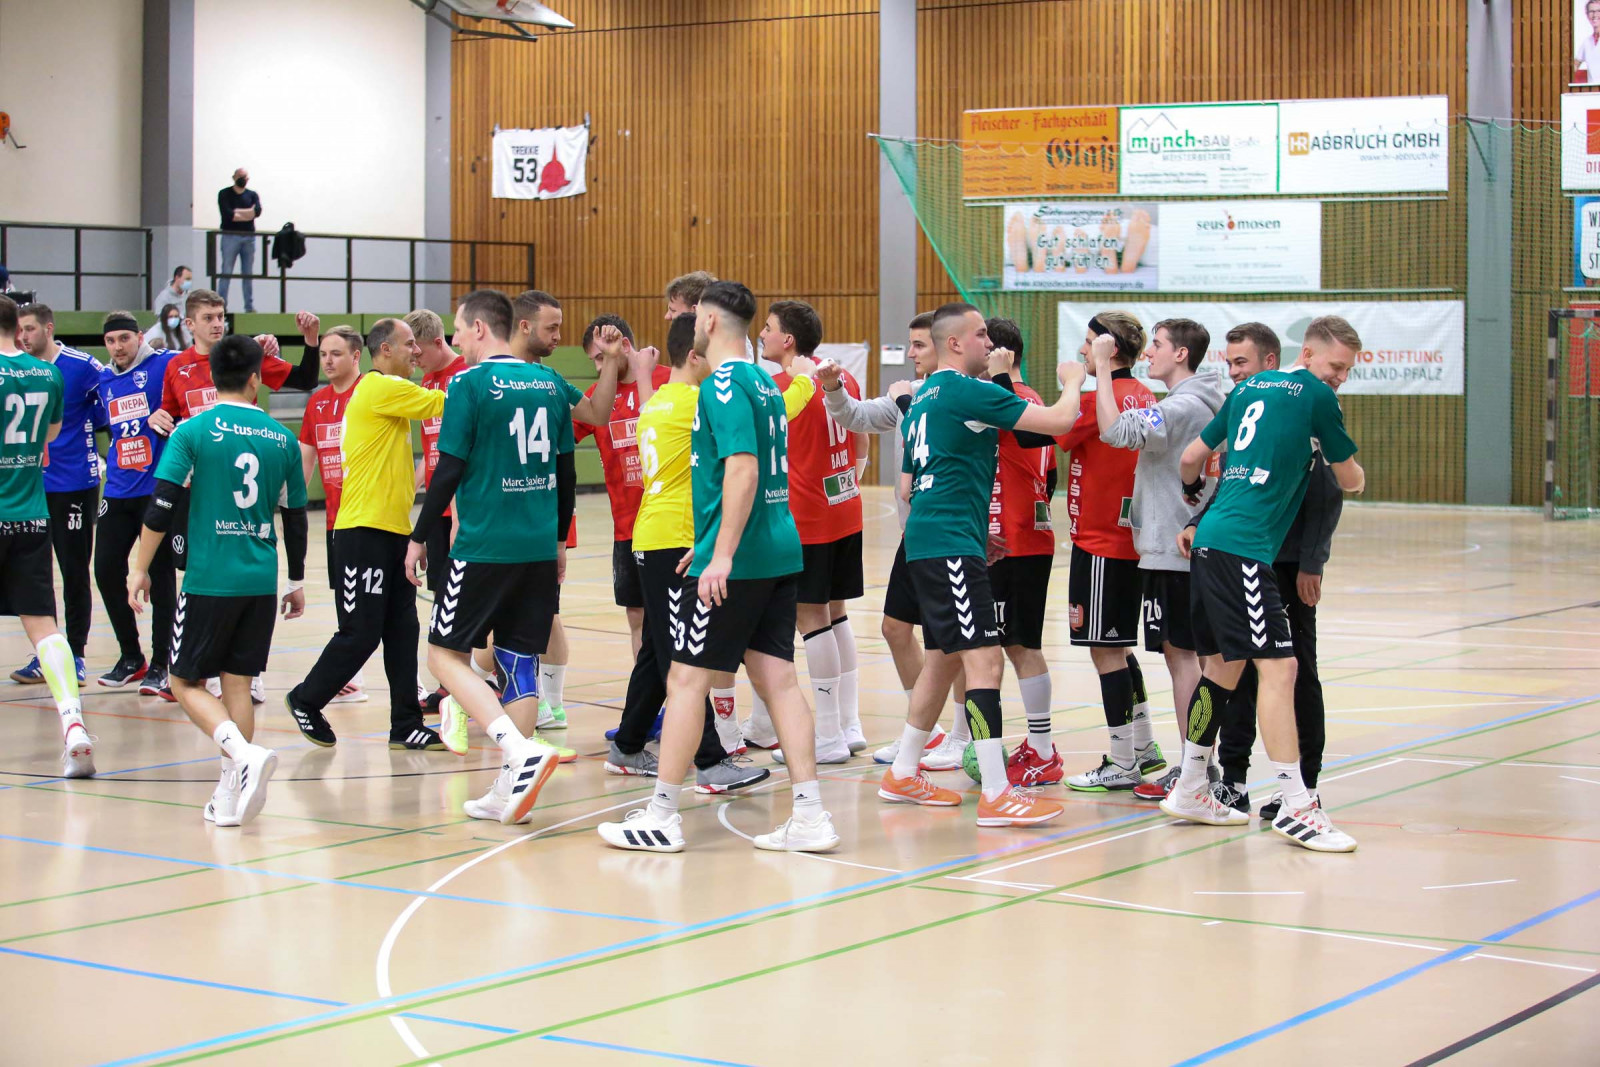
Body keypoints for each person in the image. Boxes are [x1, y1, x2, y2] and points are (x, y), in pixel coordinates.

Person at [597, 280, 838, 852]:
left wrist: (721, 552)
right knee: (779, 681)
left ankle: (662, 815)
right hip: (779, 550)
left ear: (706, 322)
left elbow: (743, 469)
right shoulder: (763, 383)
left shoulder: (723, 384)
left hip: (740, 561)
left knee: (685, 679)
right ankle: (810, 815)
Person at [1165, 316, 1365, 852]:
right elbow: (1350, 479)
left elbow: (1190, 458)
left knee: (1221, 669)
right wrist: (1340, 462)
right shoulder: (1316, 396)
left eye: (1347, 369)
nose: (1340, 377)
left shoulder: (1247, 389)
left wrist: (1191, 494)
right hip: (1245, 549)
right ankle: (1297, 805)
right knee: (1281, 669)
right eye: (1336, 365)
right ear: (1309, 354)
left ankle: (1191, 787)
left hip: (1210, 542)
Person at [879, 302, 1081, 825]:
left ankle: (903, 771)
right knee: (985, 661)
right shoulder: (968, 390)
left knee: (943, 658)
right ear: (955, 343)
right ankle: (996, 792)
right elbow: (1060, 421)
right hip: (948, 545)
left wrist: (974, 530)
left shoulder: (926, 396)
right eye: (981, 335)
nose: (990, 344)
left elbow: (910, 484)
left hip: (936, 538)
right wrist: (1076, 379)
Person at [404, 289, 578, 825]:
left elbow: (448, 468)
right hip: (536, 545)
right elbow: (566, 471)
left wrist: (418, 535)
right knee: (518, 660)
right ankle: (509, 788)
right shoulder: (550, 383)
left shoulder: (468, 383)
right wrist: (556, 541)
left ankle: (516, 749)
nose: (456, 339)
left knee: (443, 656)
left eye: (458, 328)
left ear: (480, 328)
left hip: (484, 544)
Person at [603, 312, 793, 792]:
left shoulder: (657, 402)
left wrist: (643, 375)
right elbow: (767, 418)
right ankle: (709, 761)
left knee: (659, 647)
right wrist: (806, 383)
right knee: (680, 658)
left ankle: (627, 745)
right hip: (676, 538)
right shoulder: (698, 401)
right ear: (694, 355)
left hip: (651, 534)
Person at [128, 333, 309, 826]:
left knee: (183, 680)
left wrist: (139, 567)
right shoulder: (282, 438)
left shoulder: (193, 431)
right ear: (255, 380)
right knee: (238, 684)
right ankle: (230, 796)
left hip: (209, 579)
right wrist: (295, 579)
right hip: (260, 578)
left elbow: (162, 505)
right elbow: (295, 516)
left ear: (211, 377)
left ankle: (243, 756)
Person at [1201, 320, 1351, 822]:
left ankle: (1301, 786)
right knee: (1244, 669)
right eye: (1229, 363)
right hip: (1247, 551)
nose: (1234, 372)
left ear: (1270, 360)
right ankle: (1240, 782)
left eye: (1241, 362)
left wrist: (1312, 561)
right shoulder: (1265, 399)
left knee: (1284, 670)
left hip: (1275, 560)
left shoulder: (1304, 400)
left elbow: (1328, 492)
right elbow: (1232, 479)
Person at [286, 318, 446, 751]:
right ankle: (305, 699)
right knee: (361, 631)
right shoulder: (379, 386)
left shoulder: (388, 392)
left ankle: (405, 724)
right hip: (361, 532)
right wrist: (479, 371)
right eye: (409, 344)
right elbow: (443, 403)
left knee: (402, 630)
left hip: (393, 531)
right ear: (385, 350)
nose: (417, 351)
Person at [822, 313, 969, 771]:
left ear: (944, 345)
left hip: (950, 534)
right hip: (915, 534)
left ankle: (963, 735)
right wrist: (833, 388)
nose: (910, 354)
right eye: (909, 344)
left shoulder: (961, 395)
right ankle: (927, 731)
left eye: (919, 345)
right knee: (895, 628)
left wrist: (907, 404)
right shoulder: (909, 393)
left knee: (952, 642)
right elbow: (856, 416)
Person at [155, 288, 318, 702]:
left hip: (242, 483)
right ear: (189, 324)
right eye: (208, 317)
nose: (217, 323)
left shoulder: (247, 356)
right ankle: (211, 666)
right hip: (198, 488)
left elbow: (304, 379)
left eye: (221, 316)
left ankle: (240, 671)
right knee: (193, 568)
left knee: (238, 562)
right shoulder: (176, 367)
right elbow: (169, 413)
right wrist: (158, 417)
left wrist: (309, 342)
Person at [1093, 318, 1228, 802]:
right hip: (1188, 545)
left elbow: (1114, 430)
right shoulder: (1203, 401)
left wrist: (1102, 367)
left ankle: (1195, 769)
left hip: (1174, 552)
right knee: (1199, 659)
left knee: (1182, 659)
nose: (1150, 353)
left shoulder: (1181, 407)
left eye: (1159, 345)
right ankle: (1203, 765)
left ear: (1181, 355)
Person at [1058, 312, 1166, 794]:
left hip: (1101, 541)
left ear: (1109, 350)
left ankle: (1121, 761)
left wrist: (1071, 383)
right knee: (1118, 648)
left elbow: (1056, 433)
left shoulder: (1095, 400)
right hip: (1131, 540)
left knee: (1105, 653)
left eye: (1088, 342)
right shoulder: (1145, 395)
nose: (1082, 350)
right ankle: (1143, 745)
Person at [506, 289, 622, 732]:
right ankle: (472, 697)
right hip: (497, 521)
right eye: (551, 327)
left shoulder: (553, 381)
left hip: (539, 525)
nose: (559, 336)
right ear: (524, 326)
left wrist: (610, 361)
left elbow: (597, 413)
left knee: (540, 615)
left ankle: (539, 703)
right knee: (486, 627)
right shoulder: (489, 378)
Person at [760, 300, 869, 762]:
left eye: (768, 328)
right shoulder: (843, 376)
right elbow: (862, 439)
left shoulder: (782, 388)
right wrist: (848, 483)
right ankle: (849, 723)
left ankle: (826, 734)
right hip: (845, 510)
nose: (761, 334)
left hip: (807, 518)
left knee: (811, 618)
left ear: (788, 340)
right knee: (836, 613)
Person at [0, 294, 91, 777]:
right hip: (31, 515)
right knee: (44, 627)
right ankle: (74, 725)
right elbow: (51, 435)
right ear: (18, 329)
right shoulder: (47, 373)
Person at [978, 318, 1065, 789]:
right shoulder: (1029, 399)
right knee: (1014, 645)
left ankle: (1043, 750)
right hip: (1024, 533)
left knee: (1015, 646)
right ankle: (1037, 747)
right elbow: (1047, 477)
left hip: (1011, 539)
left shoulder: (1008, 398)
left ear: (1001, 354)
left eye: (983, 345)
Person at [10, 303, 105, 685]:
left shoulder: (82, 367)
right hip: (32, 486)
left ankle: (76, 655)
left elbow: (107, 411)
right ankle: (48, 653)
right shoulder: (18, 370)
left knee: (73, 570)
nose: (23, 336)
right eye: (19, 330)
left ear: (48, 329)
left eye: (30, 329)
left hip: (74, 485)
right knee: (37, 576)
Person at [573, 314, 670, 658]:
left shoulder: (667, 381)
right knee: (637, 616)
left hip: (672, 524)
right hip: (627, 529)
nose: (599, 368)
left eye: (602, 357)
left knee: (675, 615)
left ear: (624, 345)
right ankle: (649, 688)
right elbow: (557, 438)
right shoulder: (597, 398)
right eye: (594, 361)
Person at [93, 312, 179, 691]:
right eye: (111, 341)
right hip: (117, 489)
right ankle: (132, 656)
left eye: (124, 339)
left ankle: (162, 662)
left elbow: (201, 365)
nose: (118, 347)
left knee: (160, 577)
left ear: (140, 337)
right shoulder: (104, 379)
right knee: (105, 569)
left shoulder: (164, 364)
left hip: (156, 490)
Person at [296, 316, 368, 704]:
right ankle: (347, 674)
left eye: (336, 353)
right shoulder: (318, 402)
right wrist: (289, 504)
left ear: (356, 356)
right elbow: (306, 461)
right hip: (335, 519)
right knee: (345, 600)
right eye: (323, 353)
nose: (327, 360)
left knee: (377, 606)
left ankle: (411, 682)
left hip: (369, 517)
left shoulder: (370, 392)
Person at [407, 307, 468, 711]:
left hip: (460, 510)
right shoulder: (428, 382)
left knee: (460, 599)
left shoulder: (463, 376)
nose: (414, 361)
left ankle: (462, 683)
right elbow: (431, 453)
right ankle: (453, 683)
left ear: (436, 341)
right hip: (436, 509)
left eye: (418, 353)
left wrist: (458, 516)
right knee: (443, 596)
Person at [217, 168, 261, 312]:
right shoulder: (224, 194)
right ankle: (221, 306)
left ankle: (249, 307)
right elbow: (228, 214)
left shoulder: (252, 195)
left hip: (249, 238)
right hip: (230, 236)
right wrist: (248, 213)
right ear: (234, 177)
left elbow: (257, 212)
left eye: (245, 176)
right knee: (226, 271)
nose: (243, 179)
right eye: (240, 176)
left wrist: (238, 212)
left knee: (248, 274)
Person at [1578, 0, 1600, 83]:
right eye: (1591, 11)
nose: (1595, 15)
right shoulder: (1586, 42)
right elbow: (1574, 65)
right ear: (1587, 15)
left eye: (1598, 11)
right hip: (1592, 90)